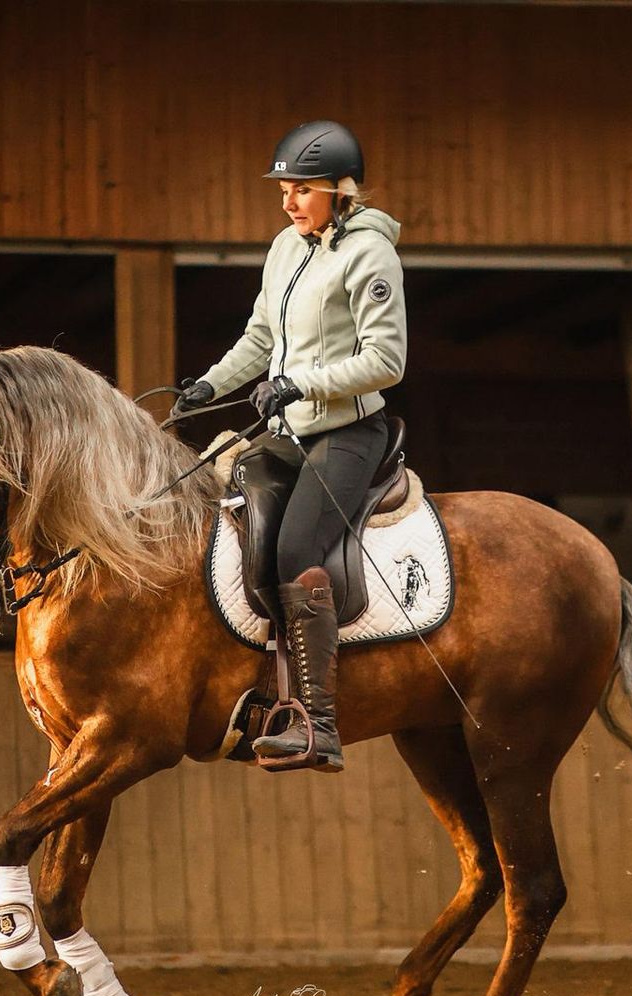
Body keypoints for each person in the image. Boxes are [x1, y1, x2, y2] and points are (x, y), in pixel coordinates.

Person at [176, 120, 406, 773]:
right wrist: (208, 385)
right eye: (285, 188)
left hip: (349, 434)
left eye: (302, 189)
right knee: (223, 514)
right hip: (288, 432)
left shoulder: (371, 256)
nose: (288, 200)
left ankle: (318, 725)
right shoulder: (285, 246)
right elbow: (259, 336)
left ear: (341, 189)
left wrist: (299, 382)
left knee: (296, 548)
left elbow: (387, 360)